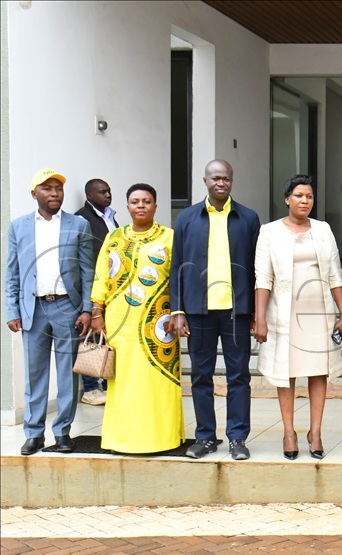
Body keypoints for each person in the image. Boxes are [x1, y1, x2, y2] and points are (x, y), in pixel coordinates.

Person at [254, 175, 342, 460]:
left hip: (318, 313)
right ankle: (288, 431)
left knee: (318, 370)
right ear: (287, 199)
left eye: (309, 196)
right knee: (287, 374)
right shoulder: (269, 231)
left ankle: (316, 431)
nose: (304, 201)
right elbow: (263, 277)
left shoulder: (322, 230)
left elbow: (335, 274)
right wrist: (260, 318)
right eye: (298, 195)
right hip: (284, 313)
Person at [171, 160, 260, 461]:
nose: (220, 183)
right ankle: (206, 437)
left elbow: (258, 268)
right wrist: (178, 310)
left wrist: (257, 311)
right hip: (198, 311)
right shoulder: (186, 219)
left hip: (237, 311)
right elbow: (177, 267)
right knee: (200, 376)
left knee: (239, 376)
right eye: (215, 178)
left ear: (232, 181)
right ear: (204, 180)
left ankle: (237, 438)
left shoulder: (248, 218)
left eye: (226, 179)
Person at [6, 168, 94, 455]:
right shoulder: (18, 227)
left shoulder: (77, 225)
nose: (55, 193)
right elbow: (12, 273)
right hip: (33, 308)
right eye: (47, 188)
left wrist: (87, 309)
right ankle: (33, 434)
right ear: (35, 194)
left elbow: (87, 270)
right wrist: (12, 308)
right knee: (35, 375)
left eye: (58, 188)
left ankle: (63, 432)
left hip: (67, 307)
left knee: (68, 373)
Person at [90, 183, 183, 453]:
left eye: (146, 201)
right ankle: (123, 438)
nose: (140, 205)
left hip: (158, 323)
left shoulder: (169, 237)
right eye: (135, 201)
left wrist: (179, 313)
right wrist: (97, 310)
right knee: (123, 382)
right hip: (120, 322)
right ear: (128, 206)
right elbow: (101, 275)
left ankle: (161, 438)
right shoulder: (114, 237)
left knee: (157, 381)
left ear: (156, 205)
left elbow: (179, 278)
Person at [75, 178, 118, 406]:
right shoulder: (82, 218)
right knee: (90, 336)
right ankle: (91, 388)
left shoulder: (111, 216)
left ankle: (105, 382)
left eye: (109, 191)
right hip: (94, 285)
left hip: (113, 288)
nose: (108, 195)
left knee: (106, 335)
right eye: (102, 192)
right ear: (90, 195)